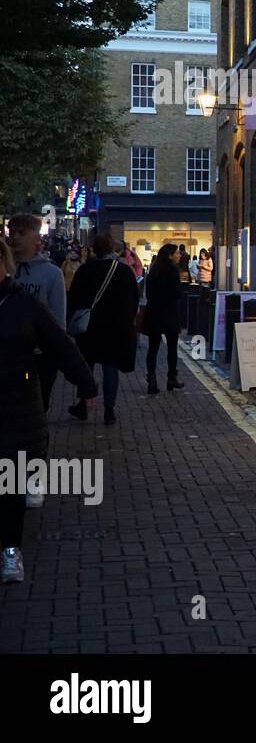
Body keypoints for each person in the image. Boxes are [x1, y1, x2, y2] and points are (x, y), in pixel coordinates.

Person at [0, 238, 98, 583]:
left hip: (16, 406)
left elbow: (60, 344)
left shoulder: (25, 305)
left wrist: (86, 385)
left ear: (5, 264)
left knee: (9, 486)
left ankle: (11, 550)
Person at [66, 233, 140, 426]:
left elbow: (73, 298)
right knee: (110, 368)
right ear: (113, 249)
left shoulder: (85, 270)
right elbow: (134, 300)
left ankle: (83, 404)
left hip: (89, 328)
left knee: (86, 367)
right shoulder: (123, 271)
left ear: (94, 249)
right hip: (115, 328)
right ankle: (109, 410)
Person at [6, 214, 67, 413]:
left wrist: (56, 354)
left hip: (40, 356)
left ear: (36, 237)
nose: (15, 237)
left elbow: (58, 318)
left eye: (21, 233)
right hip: (7, 353)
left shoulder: (51, 273)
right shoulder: (4, 270)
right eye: (12, 232)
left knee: (37, 409)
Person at [142, 243, 185, 395]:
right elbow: (177, 293)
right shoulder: (173, 270)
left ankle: (152, 379)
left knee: (153, 348)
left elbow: (148, 293)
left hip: (154, 313)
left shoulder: (153, 269)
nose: (179, 255)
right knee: (172, 348)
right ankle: (171, 378)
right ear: (170, 255)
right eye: (177, 253)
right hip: (170, 313)